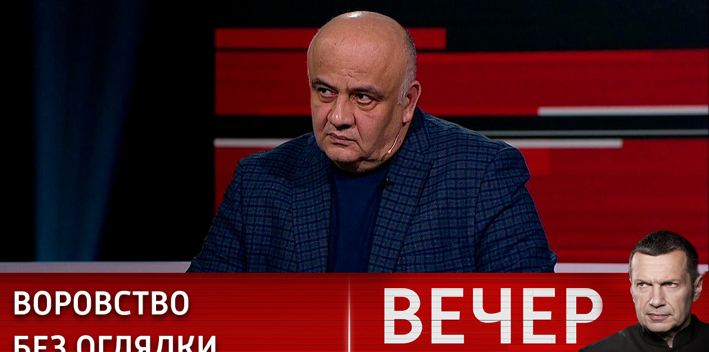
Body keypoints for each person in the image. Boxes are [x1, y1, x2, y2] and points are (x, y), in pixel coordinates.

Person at [188, 11, 556, 273]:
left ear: (407, 102)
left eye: (363, 97)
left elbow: (532, 325)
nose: (338, 117)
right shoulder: (259, 182)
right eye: (325, 91)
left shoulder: (481, 176)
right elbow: (200, 319)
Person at [564, 231, 707, 352]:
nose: (656, 301)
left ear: (696, 288)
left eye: (670, 284)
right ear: (632, 289)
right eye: (643, 284)